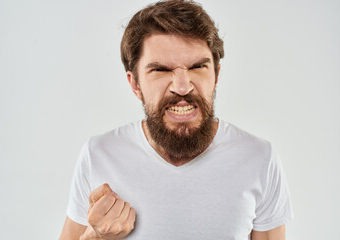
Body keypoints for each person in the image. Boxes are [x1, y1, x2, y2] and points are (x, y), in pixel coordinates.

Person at [59, 0, 293, 239]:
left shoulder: (258, 158)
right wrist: (95, 238)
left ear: (216, 75)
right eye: (161, 70)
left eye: (198, 66)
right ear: (135, 84)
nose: (182, 87)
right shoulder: (99, 154)